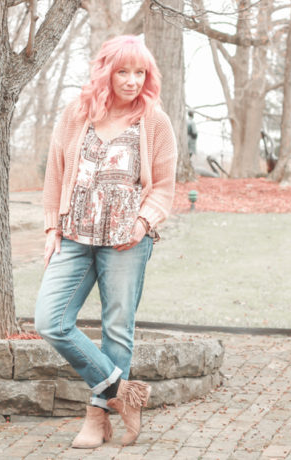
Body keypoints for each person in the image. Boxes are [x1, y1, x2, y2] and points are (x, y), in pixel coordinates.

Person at [34, 35, 177, 448]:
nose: (132, 81)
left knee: (117, 327)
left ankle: (97, 419)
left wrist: (144, 221)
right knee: (50, 320)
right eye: (123, 72)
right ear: (105, 72)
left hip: (127, 241)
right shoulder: (77, 114)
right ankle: (122, 393)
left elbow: (165, 186)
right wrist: (51, 228)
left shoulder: (154, 121)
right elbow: (55, 174)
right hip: (75, 234)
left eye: (140, 72)